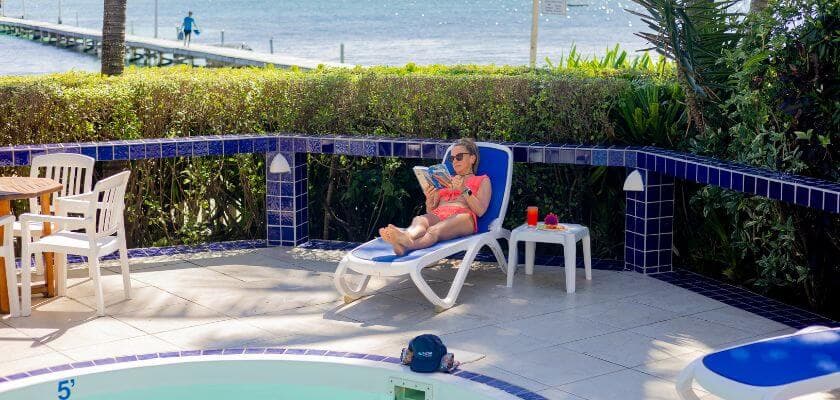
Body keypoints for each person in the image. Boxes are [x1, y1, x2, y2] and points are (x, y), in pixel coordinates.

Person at [380, 138, 492, 256]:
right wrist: (429, 199)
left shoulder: (482, 180)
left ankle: (407, 243)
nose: (454, 161)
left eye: (459, 157)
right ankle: (406, 239)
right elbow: (431, 212)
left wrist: (464, 189)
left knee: (434, 230)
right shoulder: (444, 179)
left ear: (472, 158)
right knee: (420, 220)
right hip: (439, 215)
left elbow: (480, 210)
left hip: (463, 218)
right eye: (452, 158)